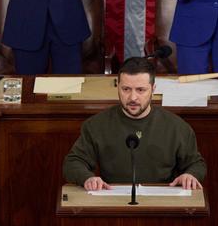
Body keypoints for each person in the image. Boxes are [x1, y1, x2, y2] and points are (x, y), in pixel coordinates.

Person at [63, 57, 206, 191]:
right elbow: (73, 162)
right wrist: (88, 178)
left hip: (162, 204)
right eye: (126, 89)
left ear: (153, 89)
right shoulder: (96, 125)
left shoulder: (177, 127)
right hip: (113, 202)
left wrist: (190, 175)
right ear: (117, 87)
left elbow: (196, 164)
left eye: (140, 90)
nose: (133, 97)